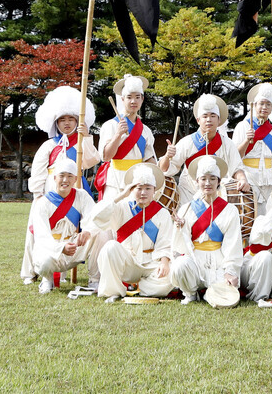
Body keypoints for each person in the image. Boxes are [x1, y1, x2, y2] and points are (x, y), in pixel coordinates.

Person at [23, 86, 100, 284]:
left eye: (71, 119)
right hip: (49, 192)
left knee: (71, 229)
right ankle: (31, 271)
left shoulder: (82, 143)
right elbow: (38, 171)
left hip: (76, 190)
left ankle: (63, 269)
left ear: (77, 121)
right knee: (38, 230)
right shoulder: (49, 145)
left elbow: (92, 161)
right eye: (62, 120)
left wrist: (88, 137)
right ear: (56, 123)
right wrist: (38, 195)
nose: (67, 124)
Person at [89, 163, 175, 303]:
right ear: (131, 189)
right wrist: (120, 196)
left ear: (154, 190)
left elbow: (166, 242)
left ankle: (136, 288)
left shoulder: (162, 213)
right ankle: (114, 291)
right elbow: (97, 216)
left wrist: (165, 263)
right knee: (109, 247)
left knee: (172, 275)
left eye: (148, 188)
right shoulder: (121, 207)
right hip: (128, 262)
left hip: (151, 264)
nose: (143, 192)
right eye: (139, 188)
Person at [170, 155, 243, 306]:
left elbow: (233, 244)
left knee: (224, 295)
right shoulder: (187, 208)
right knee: (179, 264)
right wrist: (180, 228)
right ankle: (190, 294)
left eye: (212, 179)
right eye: (203, 179)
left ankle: (212, 288)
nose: (207, 183)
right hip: (195, 259)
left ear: (219, 182)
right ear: (197, 182)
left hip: (219, 261)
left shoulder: (230, 210)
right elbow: (180, 246)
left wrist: (230, 270)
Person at [28, 157, 103, 295]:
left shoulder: (82, 196)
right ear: (54, 178)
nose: (65, 180)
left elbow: (95, 218)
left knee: (101, 234)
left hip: (73, 247)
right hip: (51, 250)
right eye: (61, 176)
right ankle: (47, 279)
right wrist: (61, 247)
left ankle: (94, 280)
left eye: (69, 176)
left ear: (75, 179)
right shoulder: (42, 203)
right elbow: (41, 236)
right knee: (44, 261)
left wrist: (87, 231)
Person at [159, 94, 245, 208]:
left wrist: (243, 179)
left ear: (219, 120)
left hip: (218, 195)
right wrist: (166, 156)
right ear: (198, 120)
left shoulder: (227, 144)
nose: (209, 119)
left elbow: (237, 168)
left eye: (213, 115)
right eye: (205, 116)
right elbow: (165, 170)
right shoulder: (187, 142)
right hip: (188, 195)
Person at [97, 75, 157, 202]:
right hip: (115, 182)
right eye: (129, 97)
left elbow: (149, 159)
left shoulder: (146, 130)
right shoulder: (110, 126)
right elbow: (106, 157)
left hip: (138, 183)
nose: (133, 101)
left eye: (137, 97)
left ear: (142, 99)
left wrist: (160, 171)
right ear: (123, 99)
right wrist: (118, 135)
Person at [233, 83, 272, 209]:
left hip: (269, 180)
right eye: (261, 103)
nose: (264, 107)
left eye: (268, 104)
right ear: (254, 105)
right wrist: (246, 140)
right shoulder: (243, 126)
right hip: (249, 178)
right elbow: (234, 157)